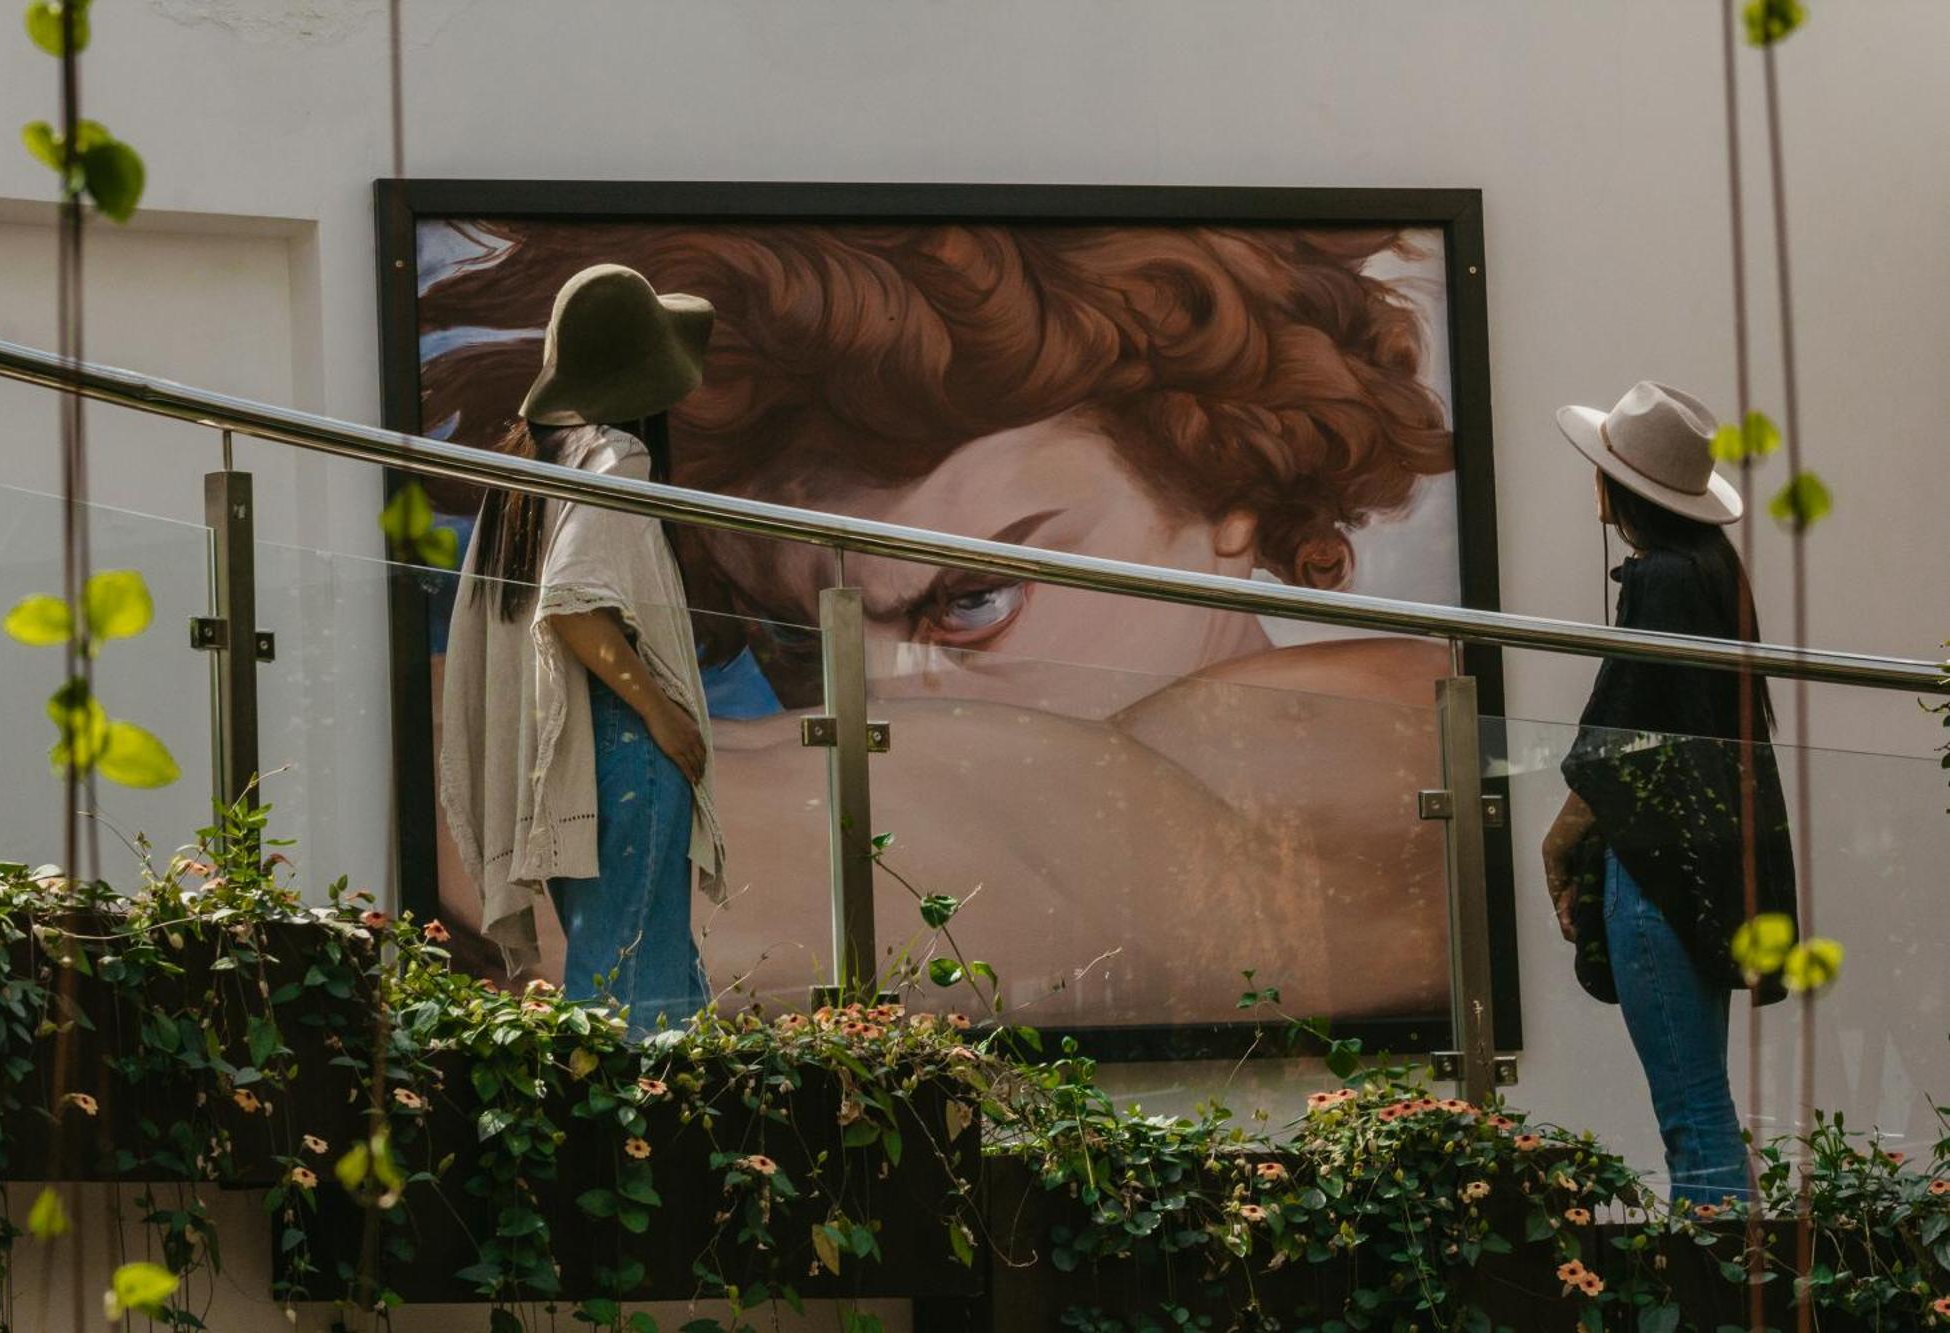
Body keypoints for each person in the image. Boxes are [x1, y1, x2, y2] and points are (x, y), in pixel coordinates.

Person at [421, 220, 1465, 1024]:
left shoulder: (1386, 736)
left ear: (1227, 483)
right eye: (800, 643)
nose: (873, 697)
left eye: (972, 600)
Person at [438, 264, 727, 1028]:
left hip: (563, 761)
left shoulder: (532, 463)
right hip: (620, 749)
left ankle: (653, 1141)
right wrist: (661, 713)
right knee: (637, 1004)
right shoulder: (615, 458)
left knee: (634, 978)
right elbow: (573, 604)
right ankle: (628, 1147)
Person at [1541, 380, 1796, 1204]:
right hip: (1704, 875)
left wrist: (1559, 838)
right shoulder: (1714, 572)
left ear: (1617, 486)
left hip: (1657, 877)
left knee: (1692, 1114)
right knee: (1700, 1102)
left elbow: (1624, 734)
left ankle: (1720, 1294)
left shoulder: (1661, 581)